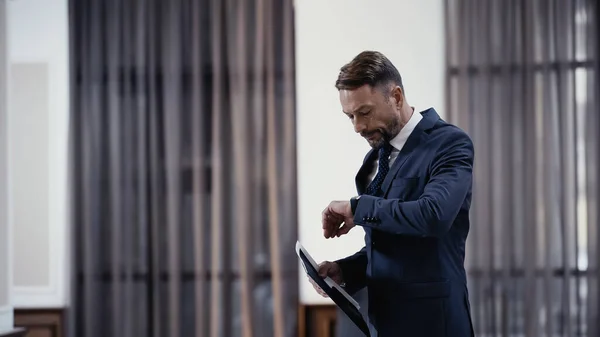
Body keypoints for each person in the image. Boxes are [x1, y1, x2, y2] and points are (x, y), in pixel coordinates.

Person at [311, 51, 475, 337]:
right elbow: (389, 244)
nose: (358, 127)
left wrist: (357, 207)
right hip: (383, 324)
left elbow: (433, 216)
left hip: (435, 325)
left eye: (365, 112)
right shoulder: (372, 162)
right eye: (350, 116)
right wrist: (346, 271)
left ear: (396, 97)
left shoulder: (449, 144)